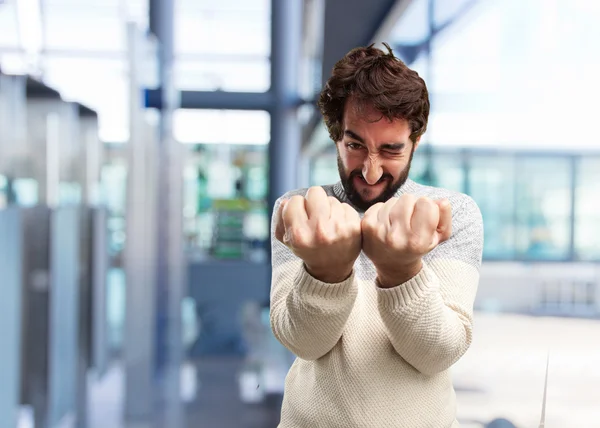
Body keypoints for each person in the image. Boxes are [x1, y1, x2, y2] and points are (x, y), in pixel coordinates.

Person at [269, 43, 484, 428]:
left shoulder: (452, 214)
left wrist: (401, 272)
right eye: (355, 145)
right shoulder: (298, 211)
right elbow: (303, 343)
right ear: (336, 135)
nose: (370, 172)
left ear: (415, 142)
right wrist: (325, 273)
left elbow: (438, 353)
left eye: (390, 150)